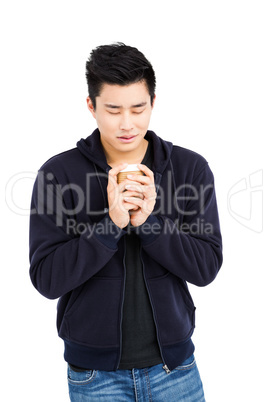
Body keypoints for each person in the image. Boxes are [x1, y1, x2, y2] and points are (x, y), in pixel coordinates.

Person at [29, 43, 223, 401]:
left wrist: (150, 222)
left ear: (153, 101)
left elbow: (206, 267)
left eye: (138, 108)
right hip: (95, 377)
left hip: (175, 369)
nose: (127, 123)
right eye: (113, 110)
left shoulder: (189, 168)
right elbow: (47, 278)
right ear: (91, 106)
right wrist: (110, 225)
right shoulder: (58, 174)